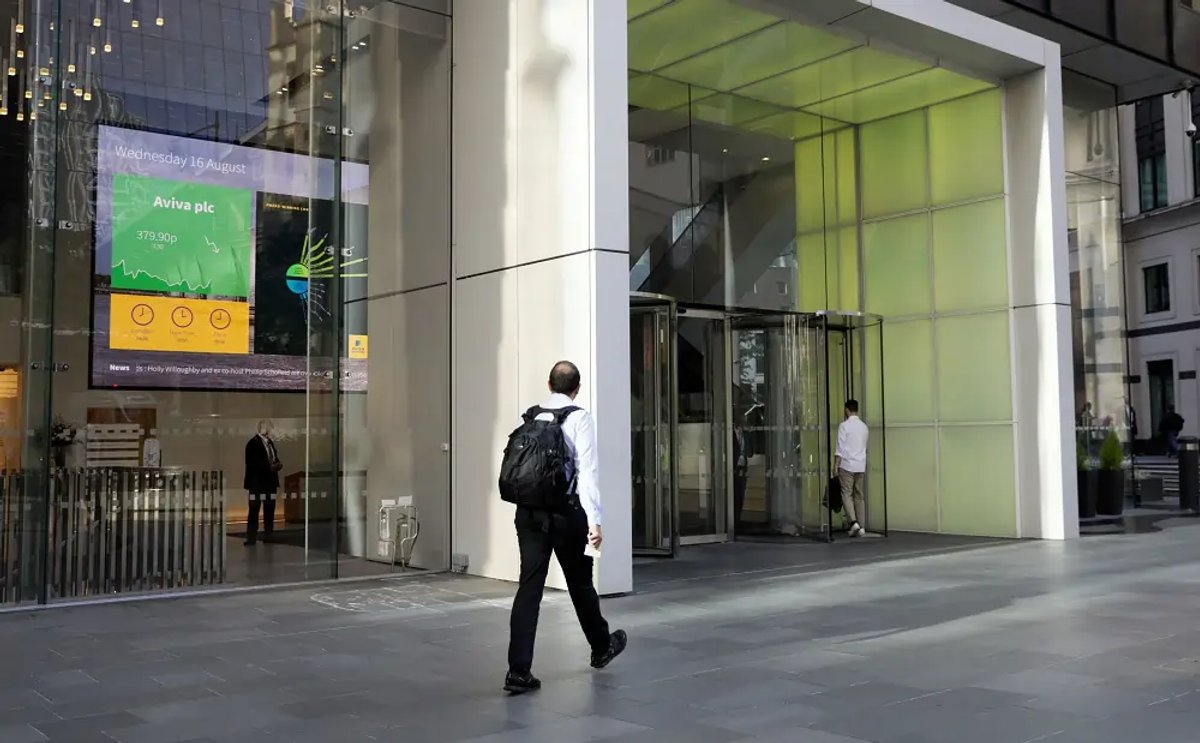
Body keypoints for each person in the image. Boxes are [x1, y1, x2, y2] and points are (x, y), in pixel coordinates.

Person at [504, 361, 627, 695]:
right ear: (577, 388)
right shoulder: (579, 418)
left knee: (529, 588)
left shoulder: (532, 416)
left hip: (528, 513)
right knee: (580, 584)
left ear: (549, 384)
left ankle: (518, 671)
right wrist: (594, 520)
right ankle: (602, 647)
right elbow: (587, 472)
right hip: (565, 514)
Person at [244, 419, 282, 545]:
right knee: (254, 510)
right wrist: (269, 467)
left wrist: (277, 464)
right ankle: (251, 537)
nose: (271, 430)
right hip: (257, 483)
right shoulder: (253, 443)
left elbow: (273, 458)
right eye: (269, 428)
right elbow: (252, 463)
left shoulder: (269, 442)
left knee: (270, 509)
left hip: (269, 483)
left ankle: (269, 534)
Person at [835, 399, 869, 537]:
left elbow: (840, 448)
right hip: (860, 465)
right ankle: (862, 526)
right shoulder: (864, 427)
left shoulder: (844, 426)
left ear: (846, 410)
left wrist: (835, 466)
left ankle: (853, 522)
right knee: (859, 495)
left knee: (846, 493)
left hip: (847, 465)